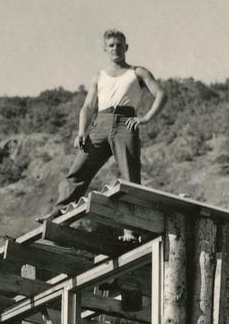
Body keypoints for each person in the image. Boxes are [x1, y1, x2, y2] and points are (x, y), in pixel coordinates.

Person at [40, 29, 167, 221]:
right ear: (105, 49)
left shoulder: (137, 72)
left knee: (130, 177)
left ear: (127, 47)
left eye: (119, 44)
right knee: (78, 170)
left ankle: (131, 225)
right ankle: (58, 212)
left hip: (126, 124)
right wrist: (81, 131)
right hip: (100, 124)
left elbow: (161, 94)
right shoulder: (98, 76)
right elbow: (88, 106)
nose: (115, 48)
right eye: (111, 45)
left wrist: (146, 118)